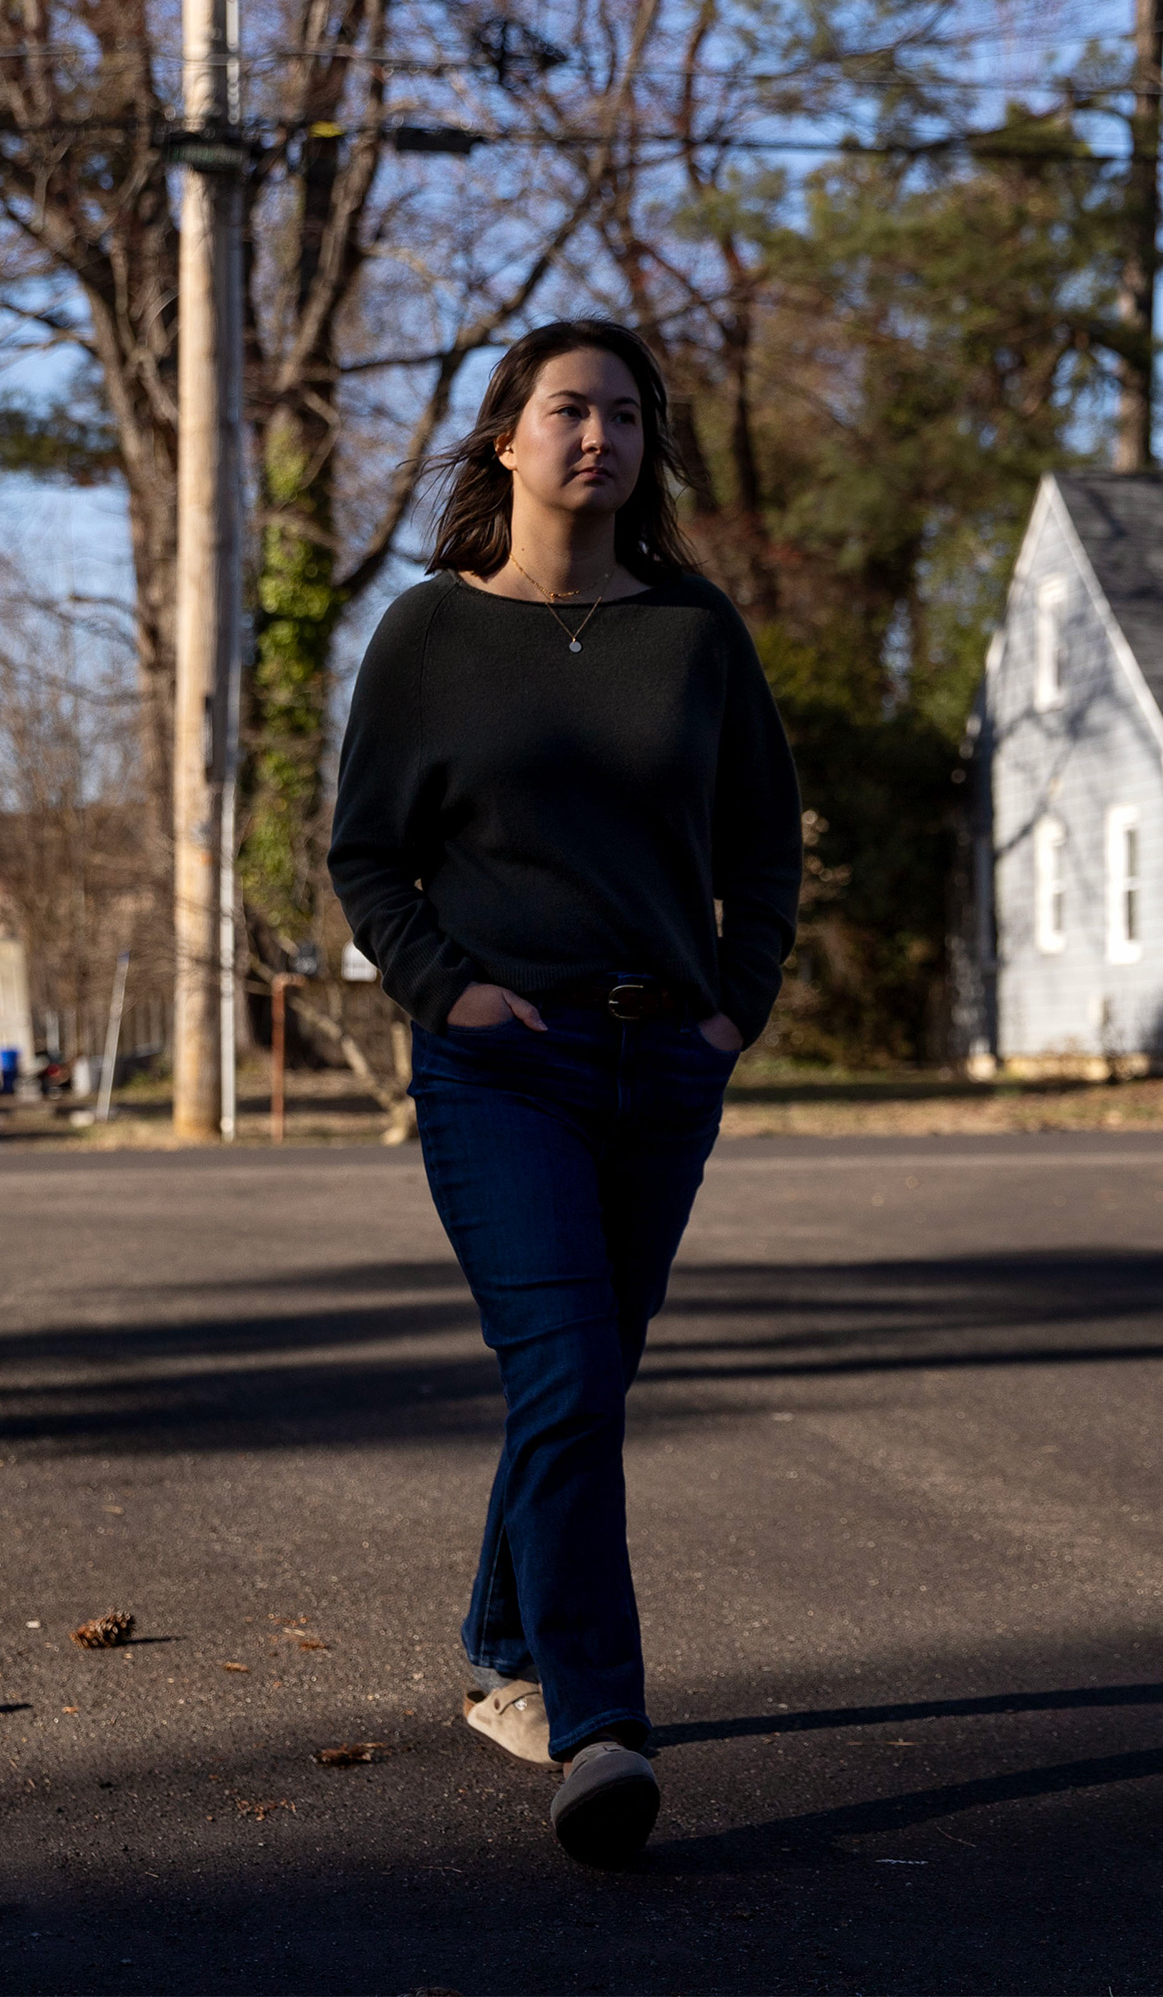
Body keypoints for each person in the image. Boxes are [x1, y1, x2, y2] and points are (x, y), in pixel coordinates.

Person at [328, 319, 802, 1868]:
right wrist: (443, 989)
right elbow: (368, 853)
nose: (597, 435)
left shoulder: (694, 634)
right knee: (573, 1375)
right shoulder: (428, 634)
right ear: (505, 442)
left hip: (666, 1059)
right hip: (502, 1064)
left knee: (576, 1382)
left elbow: (763, 842)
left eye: (624, 414)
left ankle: (501, 1646)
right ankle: (601, 1727)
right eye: (566, 410)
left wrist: (735, 1008)